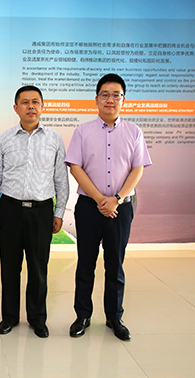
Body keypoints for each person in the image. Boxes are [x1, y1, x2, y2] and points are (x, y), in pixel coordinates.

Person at [65, 73, 152, 341]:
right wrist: (100, 199)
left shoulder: (134, 132)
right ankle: (82, 315)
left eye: (116, 95)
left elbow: (138, 169)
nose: (110, 100)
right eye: (105, 94)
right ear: (96, 99)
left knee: (115, 263)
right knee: (86, 263)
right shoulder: (82, 131)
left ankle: (114, 317)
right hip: (89, 207)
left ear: (124, 100)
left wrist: (117, 198)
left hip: (120, 207)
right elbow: (75, 167)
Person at [0, 85, 69, 338]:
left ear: (42, 107)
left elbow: (61, 179)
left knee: (38, 268)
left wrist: (59, 212)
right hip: (10, 210)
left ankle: (37, 319)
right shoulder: (4, 139)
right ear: (16, 108)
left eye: (35, 102)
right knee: (9, 268)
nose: (30, 106)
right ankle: (9, 317)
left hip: (41, 211)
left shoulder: (54, 139)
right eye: (25, 102)